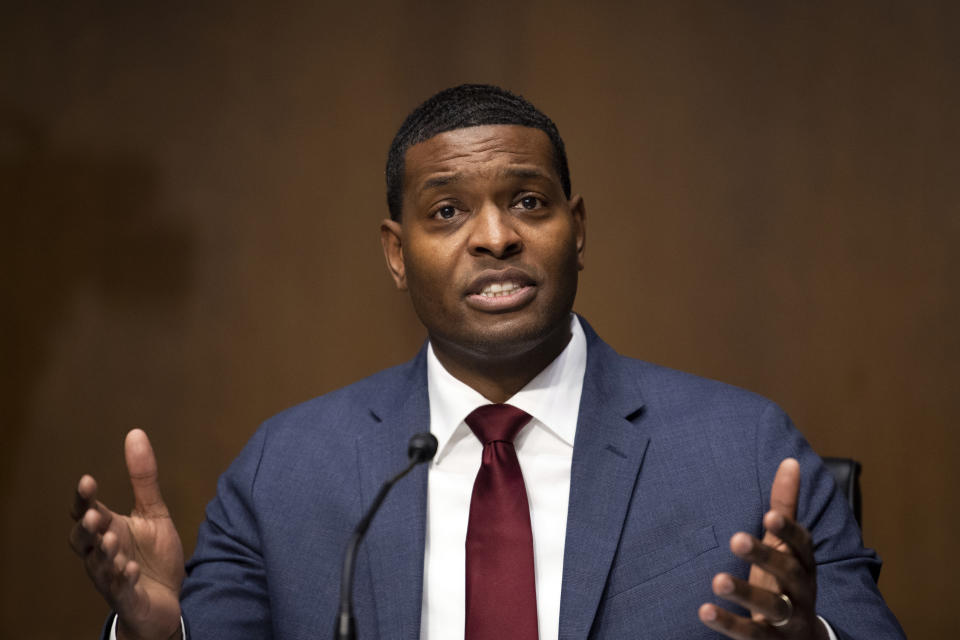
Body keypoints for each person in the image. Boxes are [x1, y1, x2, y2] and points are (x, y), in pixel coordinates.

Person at [70, 84, 905, 640]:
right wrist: (158, 634)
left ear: (577, 228)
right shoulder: (286, 470)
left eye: (529, 202)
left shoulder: (748, 450)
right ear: (397, 254)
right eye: (447, 211)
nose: (497, 236)